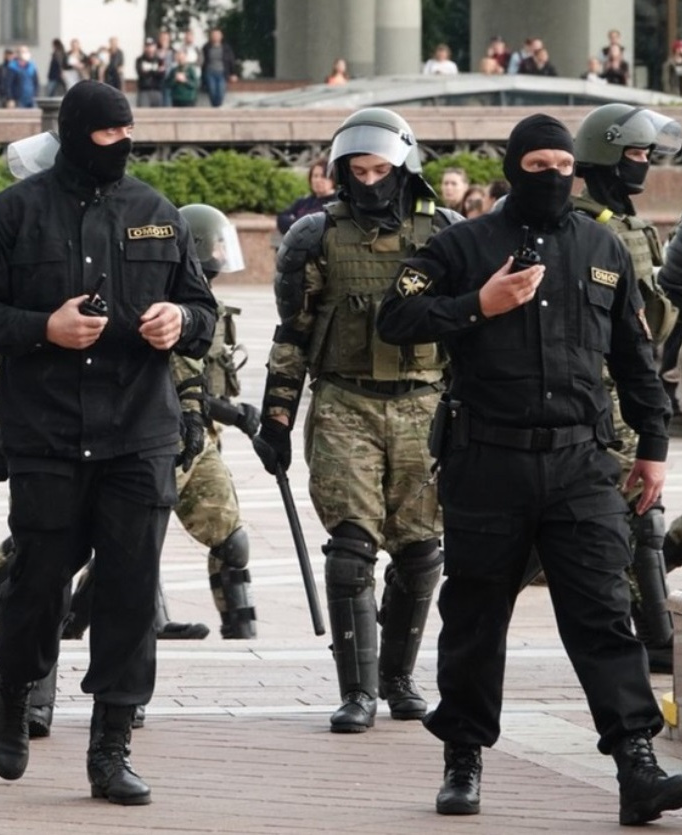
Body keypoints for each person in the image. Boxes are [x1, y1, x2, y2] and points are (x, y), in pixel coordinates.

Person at [375, 113, 682, 825]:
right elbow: (395, 318)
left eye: (563, 166)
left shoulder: (603, 247)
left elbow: (635, 358)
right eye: (538, 166)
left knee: (604, 612)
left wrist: (653, 447)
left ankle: (636, 762)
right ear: (514, 170)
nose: (553, 177)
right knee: (476, 617)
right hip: (488, 461)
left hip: (580, 462)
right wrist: (478, 305)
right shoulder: (462, 244)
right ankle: (463, 757)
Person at [0, 80, 217, 805]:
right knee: (39, 581)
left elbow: (204, 310)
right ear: (74, 137)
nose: (121, 147)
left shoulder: (157, 213)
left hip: (139, 432)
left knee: (129, 592)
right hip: (49, 433)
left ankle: (111, 746)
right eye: (107, 136)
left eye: (129, 135)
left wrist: (179, 322)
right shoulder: (10, 215)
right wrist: (45, 328)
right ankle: (14, 686)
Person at [255, 108, 458, 735]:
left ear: (404, 169)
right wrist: (277, 416)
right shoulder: (315, 236)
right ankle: (358, 691)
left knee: (421, 551)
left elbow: (470, 326)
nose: (370, 183)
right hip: (346, 402)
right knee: (351, 549)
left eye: (380, 171)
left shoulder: (446, 233)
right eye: (358, 172)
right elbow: (294, 332)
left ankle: (398, 678)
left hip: (424, 402)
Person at [578, 105, 682, 672]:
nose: (644, 164)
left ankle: (656, 634)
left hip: (628, 387)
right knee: (622, 514)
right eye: (636, 154)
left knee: (641, 512)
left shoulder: (631, 226)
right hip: (592, 389)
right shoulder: (584, 225)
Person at [172, 203, 260, 637]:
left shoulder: (211, 303)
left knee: (230, 538)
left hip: (203, 437)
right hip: (167, 433)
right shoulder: (169, 303)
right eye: (218, 244)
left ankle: (240, 634)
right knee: (125, 541)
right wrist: (237, 414)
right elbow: (177, 379)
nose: (225, 253)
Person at [275, 156, 335, 235]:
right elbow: (282, 217)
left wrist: (295, 222)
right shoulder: (303, 202)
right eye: (315, 176)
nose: (318, 180)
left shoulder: (336, 203)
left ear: (333, 179)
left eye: (323, 176)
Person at [200, 28, 236, 107]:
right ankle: (216, 107)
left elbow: (231, 60)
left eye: (217, 35)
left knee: (221, 92)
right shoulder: (206, 47)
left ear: (221, 36)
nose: (215, 36)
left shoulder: (226, 48)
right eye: (214, 35)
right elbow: (202, 60)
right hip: (210, 73)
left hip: (222, 73)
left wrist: (233, 73)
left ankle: (216, 107)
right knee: (212, 91)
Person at [135, 39, 166, 107]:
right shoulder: (140, 60)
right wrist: (156, 71)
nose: (150, 48)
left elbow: (162, 74)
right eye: (147, 46)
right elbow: (141, 73)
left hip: (157, 90)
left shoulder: (159, 60)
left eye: (151, 46)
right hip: (144, 91)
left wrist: (149, 71)